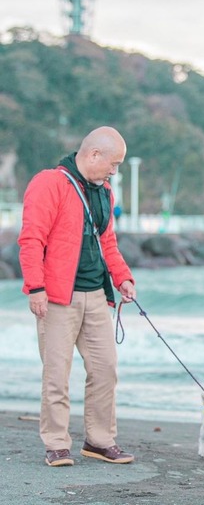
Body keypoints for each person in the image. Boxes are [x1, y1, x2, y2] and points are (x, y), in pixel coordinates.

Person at [18, 126, 137, 467]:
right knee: (57, 373)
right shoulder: (49, 183)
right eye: (113, 163)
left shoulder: (105, 192)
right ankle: (56, 443)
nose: (115, 170)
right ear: (93, 155)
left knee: (105, 369)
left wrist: (122, 277)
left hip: (96, 295)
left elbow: (107, 242)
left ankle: (99, 441)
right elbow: (31, 240)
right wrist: (36, 288)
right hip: (57, 297)